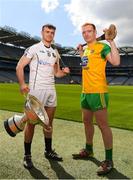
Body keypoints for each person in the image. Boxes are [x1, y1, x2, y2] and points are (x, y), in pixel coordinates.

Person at [16, 24, 70, 169]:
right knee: (31, 124)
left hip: (51, 90)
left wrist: (64, 72)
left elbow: (56, 73)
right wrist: (22, 84)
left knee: (48, 124)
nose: (50, 34)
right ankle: (27, 156)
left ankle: (48, 151)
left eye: (52, 33)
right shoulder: (34, 48)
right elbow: (20, 66)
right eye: (47, 32)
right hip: (36, 91)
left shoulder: (55, 52)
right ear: (42, 33)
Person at [72, 23, 120, 175]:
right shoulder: (86, 49)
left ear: (95, 32)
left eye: (89, 31)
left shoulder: (102, 47)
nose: (86, 34)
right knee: (86, 121)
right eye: (84, 32)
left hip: (98, 92)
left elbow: (116, 62)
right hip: (85, 92)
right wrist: (81, 52)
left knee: (103, 125)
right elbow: (85, 66)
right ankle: (89, 150)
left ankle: (109, 160)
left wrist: (110, 41)